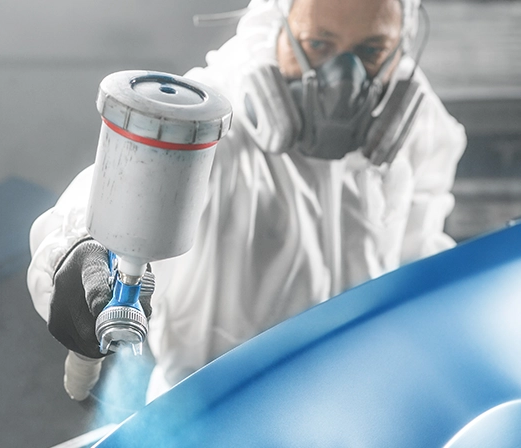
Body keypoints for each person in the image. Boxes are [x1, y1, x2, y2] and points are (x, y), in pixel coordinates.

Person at [27, 0, 467, 403]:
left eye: (372, 50)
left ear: (401, 43)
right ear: (278, 27)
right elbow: (113, 193)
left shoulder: (418, 127)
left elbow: (417, 254)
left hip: (358, 404)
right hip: (213, 413)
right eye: (317, 44)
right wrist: (76, 251)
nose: (345, 77)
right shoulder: (212, 120)